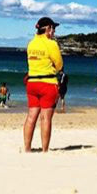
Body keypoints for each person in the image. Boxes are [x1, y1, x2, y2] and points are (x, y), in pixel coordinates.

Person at [23, 17, 63, 152]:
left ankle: (27, 148)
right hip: (48, 83)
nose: (54, 32)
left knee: (31, 116)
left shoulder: (31, 44)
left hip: (32, 83)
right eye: (53, 29)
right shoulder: (51, 44)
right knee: (45, 118)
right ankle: (45, 150)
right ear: (48, 29)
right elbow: (59, 65)